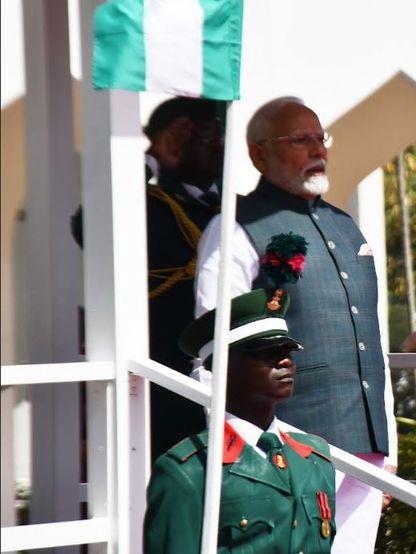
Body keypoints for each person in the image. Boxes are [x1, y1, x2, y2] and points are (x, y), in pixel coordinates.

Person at [194, 97, 397, 552]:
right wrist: (239, 451)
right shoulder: (235, 227)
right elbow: (213, 351)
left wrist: (390, 451)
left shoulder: (347, 227)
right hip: (286, 445)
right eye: (300, 139)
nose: (316, 149)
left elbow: (371, 343)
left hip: (365, 447)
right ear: (258, 154)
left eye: (319, 138)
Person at [71, 97, 226, 459]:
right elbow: (87, 225)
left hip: (234, 375)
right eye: (205, 135)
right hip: (167, 375)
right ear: (175, 143)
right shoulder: (145, 207)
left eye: (220, 135)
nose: (218, 145)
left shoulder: (239, 209)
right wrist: (150, 158)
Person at [144, 288, 337, 553]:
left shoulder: (316, 457)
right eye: (268, 352)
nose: (285, 361)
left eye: (288, 351)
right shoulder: (189, 470)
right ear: (225, 367)